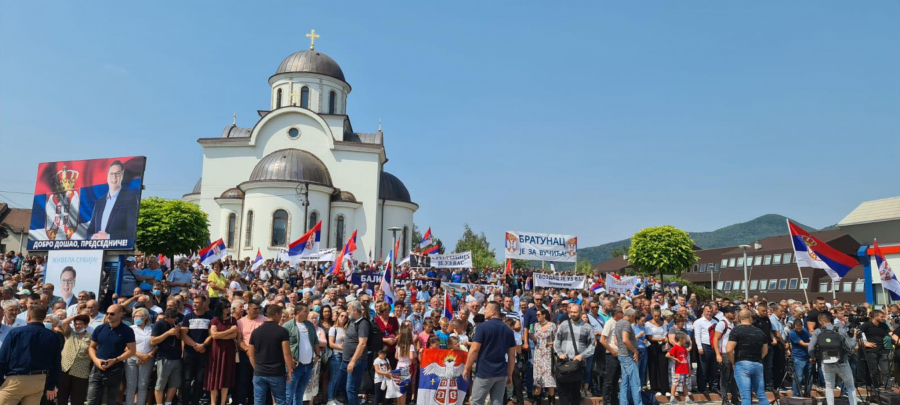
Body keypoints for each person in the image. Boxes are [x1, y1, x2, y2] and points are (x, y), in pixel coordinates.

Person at [0, 305, 62, 405]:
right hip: (38, 381)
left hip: (16, 379)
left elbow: (2, 359)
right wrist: (51, 385)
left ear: (28, 317)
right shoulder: (52, 336)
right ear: (43, 318)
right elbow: (56, 363)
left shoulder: (15, 332)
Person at [464, 301, 517, 405]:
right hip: (501, 373)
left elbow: (474, 349)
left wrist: (466, 368)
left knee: (477, 402)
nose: (484, 311)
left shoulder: (482, 327)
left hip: (485, 372)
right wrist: (509, 374)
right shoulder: (509, 330)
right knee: (497, 403)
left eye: (486, 309)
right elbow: (512, 356)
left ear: (493, 312)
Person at [86, 304, 137, 405]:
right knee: (92, 400)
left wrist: (115, 360)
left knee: (111, 401)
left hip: (115, 369)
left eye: (112, 314)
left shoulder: (127, 331)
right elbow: (91, 347)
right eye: (107, 313)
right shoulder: (99, 329)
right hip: (97, 369)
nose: (108, 315)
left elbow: (132, 351)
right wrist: (96, 360)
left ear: (121, 314)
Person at [809, 313, 858, 405]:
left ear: (821, 321)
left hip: (826, 362)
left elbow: (811, 348)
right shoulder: (840, 330)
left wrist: (813, 357)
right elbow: (850, 346)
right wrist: (854, 336)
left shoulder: (817, 331)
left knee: (829, 386)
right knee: (850, 386)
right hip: (842, 361)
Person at [249, 304, 293, 405]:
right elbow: (286, 353)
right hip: (276, 373)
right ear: (277, 315)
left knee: (259, 401)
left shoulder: (255, 332)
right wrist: (290, 370)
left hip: (259, 372)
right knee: (280, 401)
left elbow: (251, 354)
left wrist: (256, 368)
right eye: (281, 315)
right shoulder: (282, 331)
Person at [87, 159, 139, 240]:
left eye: (117, 174)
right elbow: (89, 231)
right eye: (111, 174)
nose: (114, 177)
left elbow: (131, 231)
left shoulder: (130, 199)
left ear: (122, 176)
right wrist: (92, 237)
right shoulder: (99, 202)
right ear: (107, 177)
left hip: (116, 249)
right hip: (97, 249)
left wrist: (108, 237)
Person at [726, 309, 769, 405]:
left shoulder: (736, 330)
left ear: (739, 318)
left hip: (742, 364)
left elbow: (729, 350)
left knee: (745, 396)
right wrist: (758, 357)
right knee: (761, 395)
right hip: (757, 364)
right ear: (751, 318)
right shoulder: (760, 332)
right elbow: (765, 351)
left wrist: (733, 362)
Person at [284, 302, 320, 405]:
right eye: (306, 311)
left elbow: (315, 341)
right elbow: (282, 346)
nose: (308, 313)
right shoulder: (287, 326)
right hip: (294, 366)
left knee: (300, 394)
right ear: (298, 312)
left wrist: (317, 355)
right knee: (288, 394)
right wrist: (289, 360)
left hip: (308, 365)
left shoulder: (309, 325)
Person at [206, 301, 238, 405]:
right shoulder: (215, 320)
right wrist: (229, 331)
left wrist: (221, 335)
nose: (228, 309)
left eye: (229, 307)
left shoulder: (233, 320)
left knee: (226, 376)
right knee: (214, 376)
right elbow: (214, 336)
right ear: (220, 308)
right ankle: (213, 402)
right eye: (226, 307)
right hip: (216, 351)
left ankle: (223, 402)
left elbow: (234, 336)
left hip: (229, 351)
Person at [57, 314, 92, 405]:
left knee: (78, 398)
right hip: (65, 369)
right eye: (76, 324)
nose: (77, 326)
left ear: (86, 325)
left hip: (81, 371)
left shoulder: (91, 337)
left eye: (80, 324)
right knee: (62, 396)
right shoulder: (70, 333)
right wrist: (77, 315)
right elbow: (63, 322)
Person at [150, 308, 182, 405]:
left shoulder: (175, 324)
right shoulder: (159, 324)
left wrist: (177, 334)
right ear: (165, 317)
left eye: (174, 318)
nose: (173, 321)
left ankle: (168, 402)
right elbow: (153, 341)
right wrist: (167, 333)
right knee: (160, 384)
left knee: (174, 383)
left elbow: (180, 339)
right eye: (171, 319)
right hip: (164, 358)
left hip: (176, 357)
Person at [237, 300, 266, 405]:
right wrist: (247, 349)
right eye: (255, 309)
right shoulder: (240, 322)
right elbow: (239, 340)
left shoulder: (264, 320)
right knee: (244, 380)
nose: (257, 311)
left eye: (258, 309)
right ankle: (241, 401)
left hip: (260, 354)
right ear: (248, 309)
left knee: (258, 381)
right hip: (246, 354)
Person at [125, 307, 155, 405]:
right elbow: (125, 346)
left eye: (139, 316)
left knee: (143, 385)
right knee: (131, 385)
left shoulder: (152, 328)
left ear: (145, 317)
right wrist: (139, 355)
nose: (136, 318)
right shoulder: (130, 329)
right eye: (135, 316)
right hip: (132, 359)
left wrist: (148, 355)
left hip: (147, 360)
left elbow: (156, 344)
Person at [343, 301, 370, 405]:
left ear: (355, 310)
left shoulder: (363, 323)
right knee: (341, 385)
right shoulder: (352, 321)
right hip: (345, 360)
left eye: (349, 309)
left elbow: (362, 344)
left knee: (351, 389)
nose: (347, 311)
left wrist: (353, 361)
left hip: (355, 361)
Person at [859, 309, 891, 388]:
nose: (883, 318)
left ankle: (888, 387)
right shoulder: (867, 325)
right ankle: (874, 386)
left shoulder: (883, 325)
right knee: (874, 370)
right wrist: (865, 343)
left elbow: (890, 333)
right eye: (881, 317)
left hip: (882, 350)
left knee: (886, 370)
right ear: (875, 317)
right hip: (871, 351)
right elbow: (857, 333)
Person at [714, 306, 739, 404]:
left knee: (734, 377)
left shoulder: (732, 323)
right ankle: (724, 399)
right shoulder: (722, 323)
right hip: (724, 353)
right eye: (731, 312)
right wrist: (718, 354)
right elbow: (715, 339)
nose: (734, 314)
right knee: (724, 377)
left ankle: (735, 398)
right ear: (726, 313)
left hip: (732, 353)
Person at [617, 308, 641, 405]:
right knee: (635, 383)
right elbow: (625, 340)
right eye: (634, 317)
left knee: (624, 383)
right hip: (628, 356)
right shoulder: (626, 324)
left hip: (622, 354)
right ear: (632, 316)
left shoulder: (618, 323)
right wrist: (635, 351)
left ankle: (623, 403)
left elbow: (616, 340)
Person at [531, 308, 557, 402]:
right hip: (538, 353)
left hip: (548, 354)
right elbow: (535, 339)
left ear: (544, 315)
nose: (537, 316)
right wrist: (531, 334)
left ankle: (552, 400)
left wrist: (551, 344)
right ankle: (537, 400)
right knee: (538, 380)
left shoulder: (552, 325)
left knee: (549, 379)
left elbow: (557, 339)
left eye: (538, 315)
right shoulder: (536, 325)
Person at [693, 304, 717, 394]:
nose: (709, 313)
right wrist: (699, 347)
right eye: (707, 311)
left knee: (713, 368)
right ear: (703, 311)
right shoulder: (698, 322)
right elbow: (697, 335)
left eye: (711, 311)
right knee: (703, 368)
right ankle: (702, 387)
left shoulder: (715, 322)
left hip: (714, 346)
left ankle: (713, 387)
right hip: (704, 346)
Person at [327, 310, 348, 405]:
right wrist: (341, 347)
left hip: (344, 356)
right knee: (334, 378)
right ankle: (330, 399)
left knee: (339, 378)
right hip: (335, 355)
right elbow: (331, 344)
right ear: (338, 317)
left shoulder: (346, 329)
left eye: (345, 317)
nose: (343, 318)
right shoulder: (333, 329)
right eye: (342, 316)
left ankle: (334, 398)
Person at [787, 318, 812, 397]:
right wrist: (813, 343)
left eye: (799, 328)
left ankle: (807, 394)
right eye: (796, 328)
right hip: (798, 358)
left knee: (809, 378)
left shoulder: (804, 330)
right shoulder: (792, 333)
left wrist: (813, 340)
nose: (798, 330)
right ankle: (796, 394)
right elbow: (804, 344)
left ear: (802, 326)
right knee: (799, 378)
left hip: (807, 357)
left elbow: (810, 338)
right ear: (794, 327)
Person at [666, 333, 690, 399]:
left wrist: (689, 371)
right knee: (675, 383)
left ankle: (687, 398)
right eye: (685, 339)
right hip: (679, 370)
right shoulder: (676, 347)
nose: (686, 340)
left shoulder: (684, 348)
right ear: (681, 339)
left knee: (685, 384)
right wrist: (675, 359)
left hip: (685, 369)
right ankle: (672, 398)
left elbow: (686, 359)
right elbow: (667, 355)